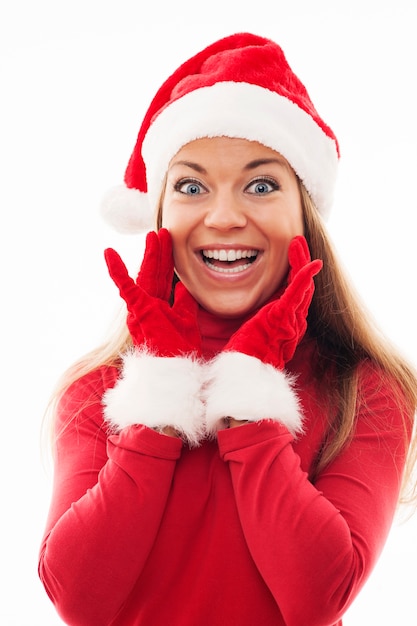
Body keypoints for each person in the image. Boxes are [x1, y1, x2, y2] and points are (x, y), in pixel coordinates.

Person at [38, 32, 417, 626]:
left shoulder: (364, 391)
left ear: (304, 216)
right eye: (191, 186)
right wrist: (160, 392)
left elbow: (317, 597)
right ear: (160, 215)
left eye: (261, 185)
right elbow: (79, 600)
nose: (223, 216)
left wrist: (250, 395)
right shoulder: (99, 391)